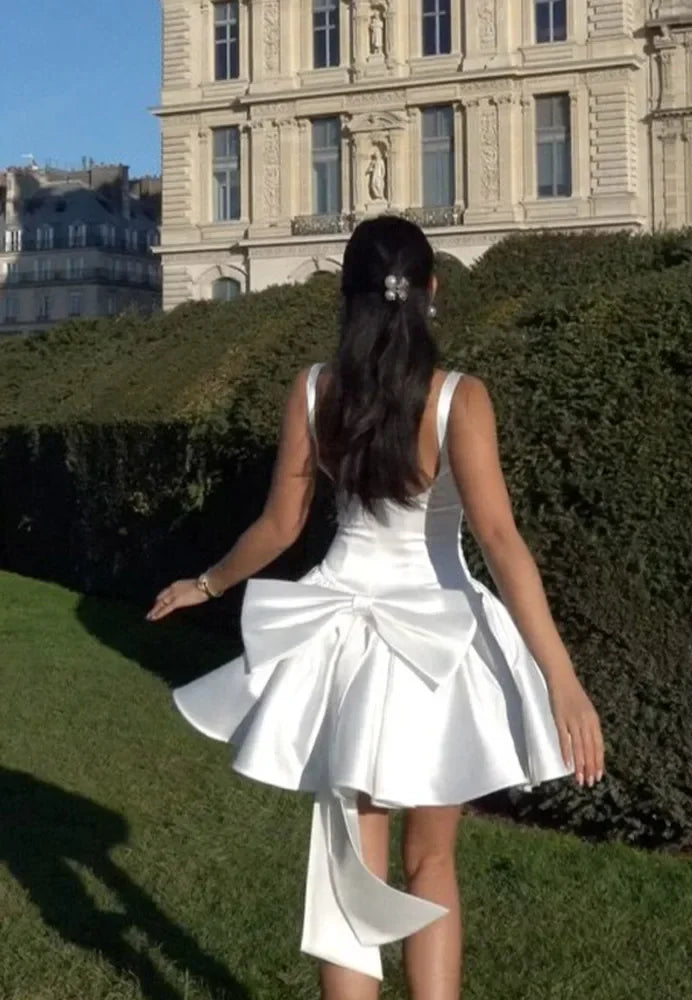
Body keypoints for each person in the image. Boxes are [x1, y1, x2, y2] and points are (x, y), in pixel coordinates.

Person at [147, 215, 605, 1000]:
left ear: (346, 296)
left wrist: (210, 583)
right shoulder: (459, 398)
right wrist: (562, 679)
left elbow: (280, 527)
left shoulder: (316, 389)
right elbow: (501, 543)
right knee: (431, 862)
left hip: (343, 639)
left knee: (348, 865)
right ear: (433, 291)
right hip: (439, 643)